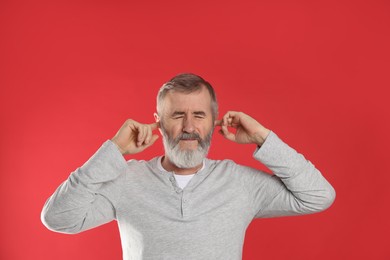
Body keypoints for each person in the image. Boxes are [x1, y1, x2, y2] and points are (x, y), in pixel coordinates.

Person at [41, 73, 335, 260]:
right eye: (178, 115)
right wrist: (114, 151)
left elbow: (318, 196)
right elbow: (59, 218)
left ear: (214, 121)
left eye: (199, 115)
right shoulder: (127, 180)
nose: (190, 127)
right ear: (159, 122)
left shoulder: (239, 182)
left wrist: (263, 137)